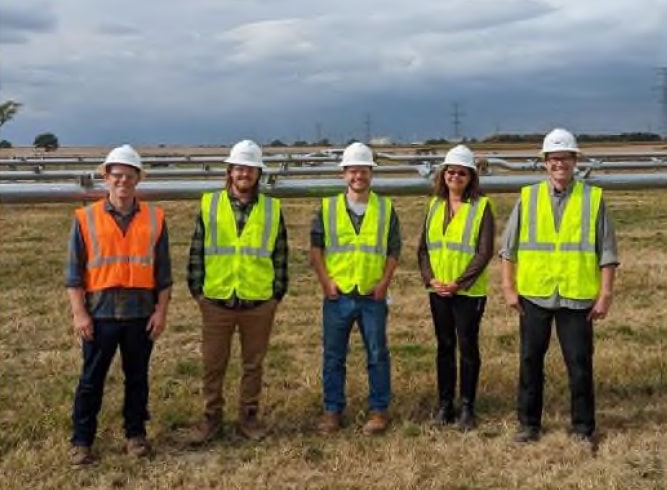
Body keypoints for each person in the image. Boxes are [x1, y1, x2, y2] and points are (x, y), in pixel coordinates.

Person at [499, 128, 619, 443]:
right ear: (545, 163)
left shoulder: (593, 199)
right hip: (535, 294)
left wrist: (605, 294)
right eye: (553, 159)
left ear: (574, 160)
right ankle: (529, 424)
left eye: (564, 158)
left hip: (577, 297)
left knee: (579, 364)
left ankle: (582, 427)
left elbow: (606, 252)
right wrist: (509, 289)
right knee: (529, 360)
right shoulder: (528, 197)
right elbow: (507, 250)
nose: (559, 164)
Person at [66, 144, 172, 465]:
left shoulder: (155, 218)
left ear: (138, 179)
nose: (123, 182)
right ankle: (82, 440)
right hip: (100, 314)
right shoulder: (85, 219)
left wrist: (161, 311)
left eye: (129, 176)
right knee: (91, 380)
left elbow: (163, 274)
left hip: (141, 314)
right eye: (117, 176)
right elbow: (74, 273)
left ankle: (136, 434)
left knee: (137, 377)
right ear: (106, 178)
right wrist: (79, 313)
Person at [187, 139, 288, 443]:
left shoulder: (272, 209)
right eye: (239, 168)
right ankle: (211, 418)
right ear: (230, 172)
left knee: (253, 365)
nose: (245, 173)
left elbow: (280, 254)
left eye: (251, 169)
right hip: (217, 300)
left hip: (258, 301)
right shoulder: (210, 204)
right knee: (213, 364)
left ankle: (248, 417)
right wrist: (199, 293)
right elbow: (196, 251)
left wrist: (275, 296)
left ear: (259, 174)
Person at [309, 142, 401, 436]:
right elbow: (316, 250)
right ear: (343, 174)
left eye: (363, 170)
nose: (358, 176)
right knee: (334, 356)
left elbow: (393, 250)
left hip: (372, 296)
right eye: (352, 171)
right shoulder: (328, 208)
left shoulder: (385, 208)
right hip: (338, 296)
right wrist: (326, 283)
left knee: (377, 353)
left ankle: (378, 410)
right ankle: (333, 411)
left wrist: (384, 283)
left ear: (371, 173)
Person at [417, 144, 495, 431]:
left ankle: (467, 407)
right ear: (443, 174)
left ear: (471, 177)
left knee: (467, 347)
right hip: (438, 291)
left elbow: (484, 252)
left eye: (461, 173)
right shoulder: (434, 206)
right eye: (450, 171)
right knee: (444, 346)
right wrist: (430, 280)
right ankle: (444, 404)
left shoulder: (482, 207)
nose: (455, 177)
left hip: (468, 293)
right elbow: (423, 249)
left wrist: (459, 284)